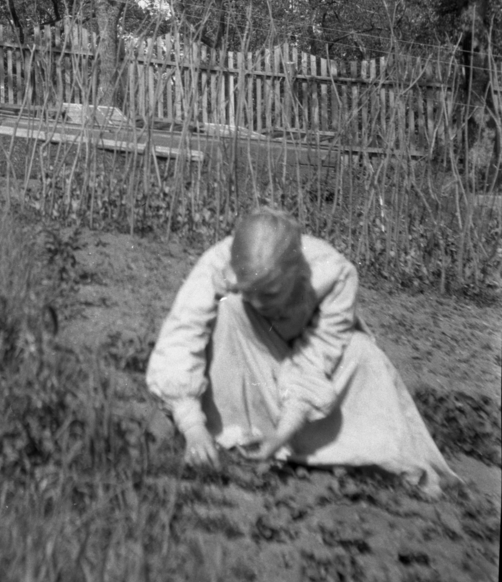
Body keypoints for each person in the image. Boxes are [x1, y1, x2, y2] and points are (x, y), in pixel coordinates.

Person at [146, 207, 456, 497]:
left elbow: (316, 358)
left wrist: (283, 432)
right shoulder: (217, 264)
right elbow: (181, 337)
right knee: (227, 311)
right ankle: (226, 431)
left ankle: (313, 444)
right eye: (250, 292)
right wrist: (192, 427)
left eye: (269, 294)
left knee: (363, 352)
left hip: (313, 377)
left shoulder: (333, 273)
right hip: (249, 359)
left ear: (294, 275)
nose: (259, 303)